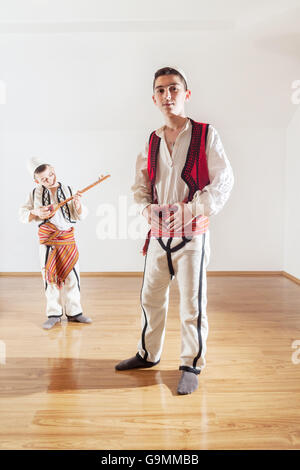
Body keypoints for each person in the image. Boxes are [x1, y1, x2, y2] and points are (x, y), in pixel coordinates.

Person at [115, 66, 234, 395]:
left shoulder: (206, 134)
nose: (168, 95)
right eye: (161, 90)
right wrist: (145, 209)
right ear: (154, 98)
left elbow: (223, 182)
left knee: (192, 304)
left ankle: (191, 363)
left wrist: (191, 209)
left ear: (186, 94)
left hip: (193, 235)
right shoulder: (151, 140)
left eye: (174, 89)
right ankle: (148, 354)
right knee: (150, 297)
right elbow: (139, 185)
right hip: (158, 236)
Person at [19, 158, 92, 329]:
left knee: (72, 277)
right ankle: (53, 314)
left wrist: (78, 204)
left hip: (67, 239)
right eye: (44, 179)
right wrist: (35, 212)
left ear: (53, 170)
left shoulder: (69, 190)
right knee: (50, 278)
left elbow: (81, 215)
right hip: (48, 242)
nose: (50, 179)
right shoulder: (34, 193)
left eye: (51, 174)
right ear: (37, 180)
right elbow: (22, 214)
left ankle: (75, 313)